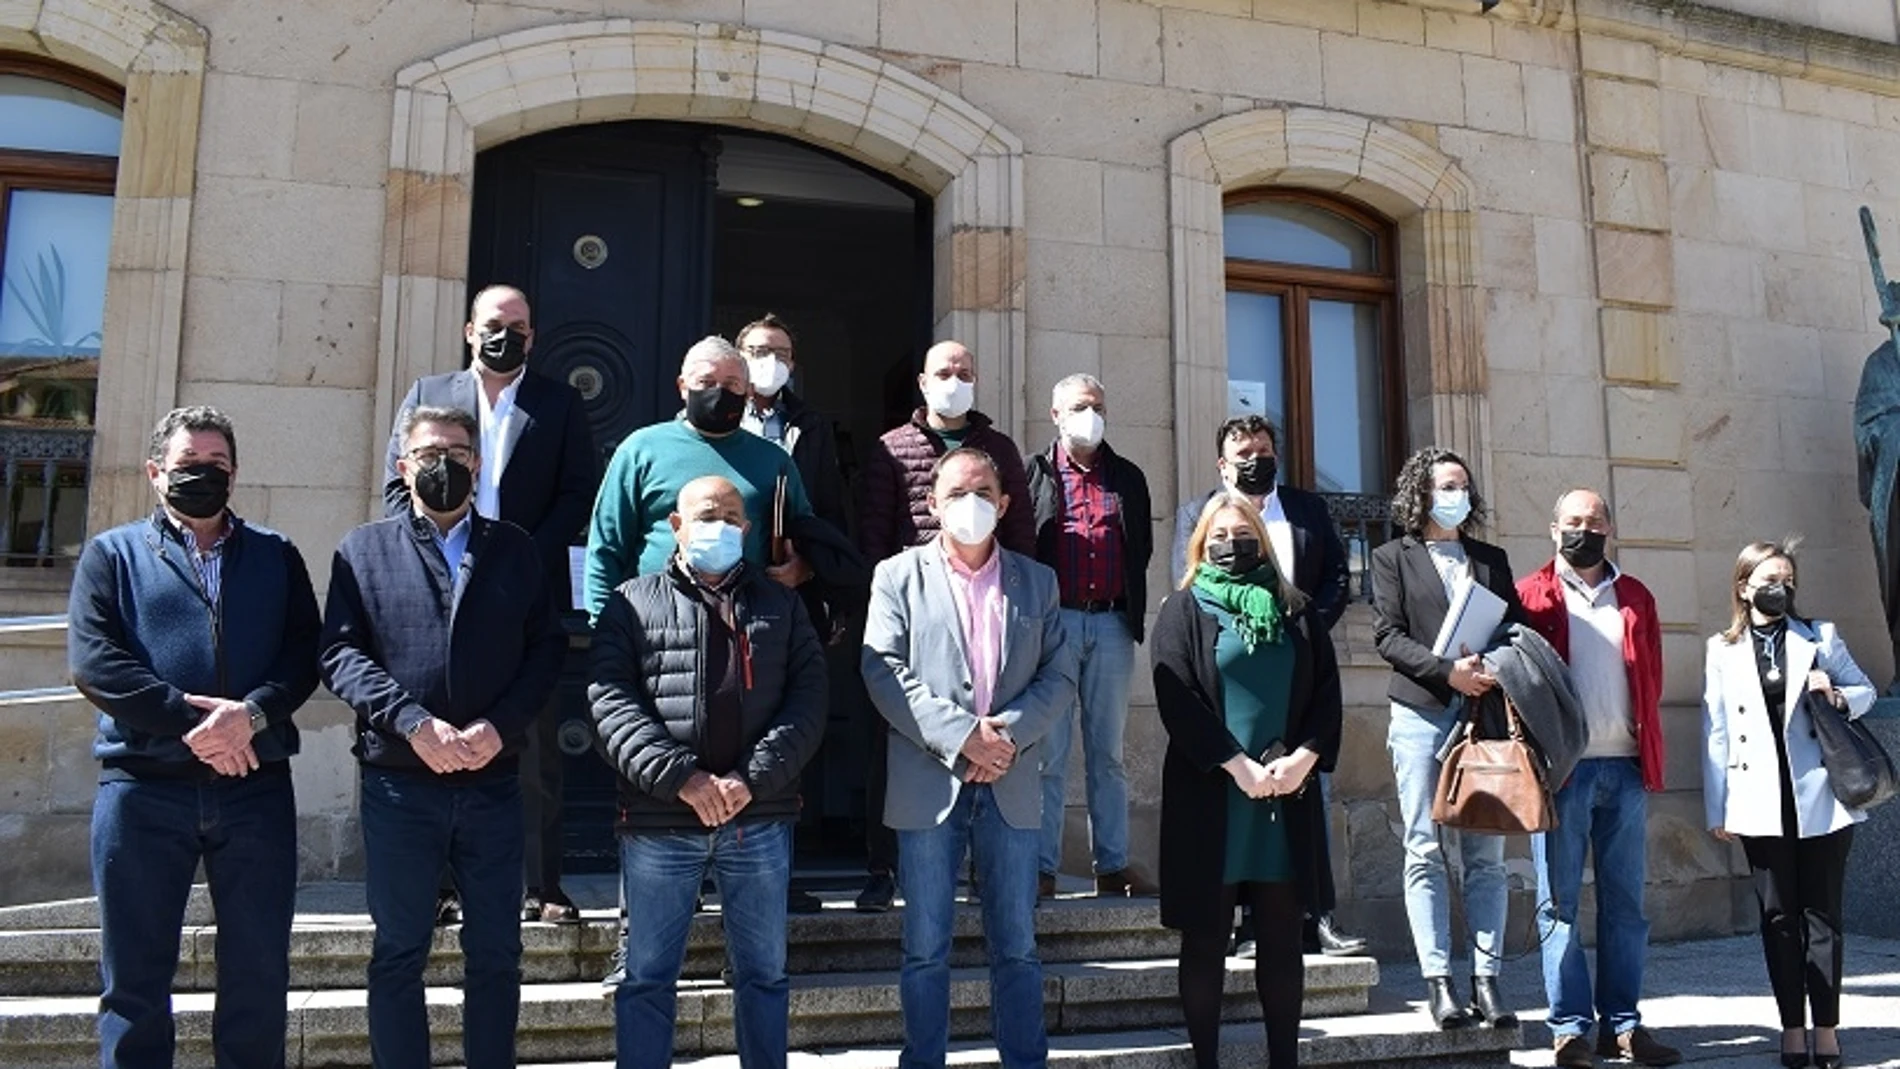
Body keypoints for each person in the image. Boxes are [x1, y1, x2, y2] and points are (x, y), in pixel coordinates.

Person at [68, 406, 321, 1069]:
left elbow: (303, 653)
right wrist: (197, 722)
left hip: (254, 789)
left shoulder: (276, 554)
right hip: (142, 791)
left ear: (234, 474)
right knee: (135, 984)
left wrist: (253, 715)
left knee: (258, 978)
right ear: (156, 472)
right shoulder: (112, 555)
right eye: (187, 466)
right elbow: (96, 662)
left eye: (215, 466)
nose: (202, 477)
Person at [323, 405, 565, 1069]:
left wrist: (500, 726)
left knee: (496, 950)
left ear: (478, 463)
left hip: (491, 784)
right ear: (403, 466)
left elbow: (545, 649)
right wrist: (411, 721)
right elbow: (341, 655)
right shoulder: (363, 550)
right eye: (429, 452)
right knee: (400, 948)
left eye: (458, 452)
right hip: (400, 785)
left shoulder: (513, 547)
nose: (444, 464)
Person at [590, 475, 828, 1069]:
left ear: (747, 530)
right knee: (646, 976)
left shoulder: (783, 604)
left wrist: (750, 780)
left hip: (759, 818)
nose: (717, 526)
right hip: (661, 819)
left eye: (729, 516)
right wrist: (684, 780)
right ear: (676, 525)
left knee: (765, 976)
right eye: (704, 515)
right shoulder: (631, 602)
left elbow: (809, 701)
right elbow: (609, 703)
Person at [382, 283, 597, 924]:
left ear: (534, 336)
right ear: (471, 330)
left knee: (532, 743)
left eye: (522, 327)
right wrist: (425, 553)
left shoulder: (558, 403)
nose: (509, 335)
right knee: (444, 732)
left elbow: (576, 492)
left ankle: (542, 888)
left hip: (522, 588)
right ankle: (445, 888)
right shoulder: (428, 394)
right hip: (441, 585)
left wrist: (520, 555)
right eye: (497, 324)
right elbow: (398, 486)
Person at [861, 447, 1077, 1069]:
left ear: (1005, 503)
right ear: (932, 504)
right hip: (928, 785)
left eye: (983, 491)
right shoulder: (895, 576)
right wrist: (963, 738)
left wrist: (1002, 737)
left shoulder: (1038, 582)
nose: (971, 503)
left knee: (1017, 947)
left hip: (1009, 785)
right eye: (956, 493)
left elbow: (1059, 676)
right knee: (925, 947)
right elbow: (883, 672)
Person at [1152, 492, 1341, 1069]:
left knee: (1284, 938)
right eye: (1218, 537)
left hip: (1285, 795)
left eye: (1242, 534)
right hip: (1212, 796)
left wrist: (1302, 760)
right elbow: (1176, 698)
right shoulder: (1181, 609)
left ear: (1261, 539)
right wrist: (1237, 765)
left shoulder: (1297, 608)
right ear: (1200, 545)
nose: (1231, 545)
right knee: (1205, 941)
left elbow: (1327, 697)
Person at [1170, 414, 1362, 958]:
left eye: (1263, 448)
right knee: (1236, 801)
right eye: (1243, 451)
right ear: (1222, 464)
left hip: (1296, 681)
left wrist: (1303, 635)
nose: (1256, 459)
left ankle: (1315, 914)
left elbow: (1337, 578)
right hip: (1231, 689)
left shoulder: (1307, 509)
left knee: (1308, 794)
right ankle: (1241, 918)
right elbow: (1184, 587)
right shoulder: (1198, 514)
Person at [855, 339, 1036, 912]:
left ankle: (988, 868)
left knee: (993, 734)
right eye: (944, 371)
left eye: (965, 371)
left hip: (990, 604)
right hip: (917, 607)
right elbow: (874, 533)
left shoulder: (999, 448)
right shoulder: (892, 448)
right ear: (923, 381)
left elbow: (1023, 531)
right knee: (899, 741)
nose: (955, 378)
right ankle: (884, 866)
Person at [1517, 490, 1681, 1068]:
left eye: (1593, 521)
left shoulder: (1634, 596)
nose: (1582, 530)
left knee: (1626, 905)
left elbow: (1652, 677)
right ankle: (1569, 1028)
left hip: (1627, 769)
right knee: (1558, 904)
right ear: (1553, 527)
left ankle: (1623, 1025)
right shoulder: (1530, 595)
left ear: (1610, 526)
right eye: (1572, 522)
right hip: (1563, 772)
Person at [1369, 446, 1527, 1030]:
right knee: (1424, 847)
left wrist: (1490, 664)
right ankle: (1439, 982)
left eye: (1462, 484)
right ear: (1421, 494)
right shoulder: (1392, 557)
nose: (1456, 494)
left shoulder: (1491, 558)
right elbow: (1386, 636)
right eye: (1445, 486)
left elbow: (1517, 625)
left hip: (1483, 716)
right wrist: (1446, 671)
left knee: (1486, 853)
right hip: (1420, 713)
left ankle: (1487, 981)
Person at [1702, 541, 1875, 1069]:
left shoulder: (1818, 636)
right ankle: (1791, 1030)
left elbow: (1864, 688)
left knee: (1823, 916)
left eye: (1787, 580)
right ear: (1744, 586)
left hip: (1821, 796)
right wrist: (1718, 808)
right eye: (1770, 579)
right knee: (1778, 918)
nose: (1780, 589)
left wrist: (1836, 693)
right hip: (1758, 801)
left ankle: (1826, 1031)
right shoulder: (1721, 648)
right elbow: (1716, 731)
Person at [584, 334, 841, 621]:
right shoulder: (640, 450)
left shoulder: (774, 459)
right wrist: (603, 626)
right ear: (683, 386)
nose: (719, 393)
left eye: (732, 385)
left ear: (747, 392)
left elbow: (810, 535)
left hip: (751, 623)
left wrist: (803, 567)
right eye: (706, 382)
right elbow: (606, 547)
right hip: (654, 622)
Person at [1025, 373, 1156, 898]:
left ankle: (1113, 865)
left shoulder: (1127, 476)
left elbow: (1140, 549)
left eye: (1098, 405)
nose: (1091, 415)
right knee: (1047, 754)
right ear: (1055, 414)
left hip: (1110, 624)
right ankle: (1040, 867)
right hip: (1053, 625)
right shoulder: (1033, 474)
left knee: (1109, 753)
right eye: (1080, 406)